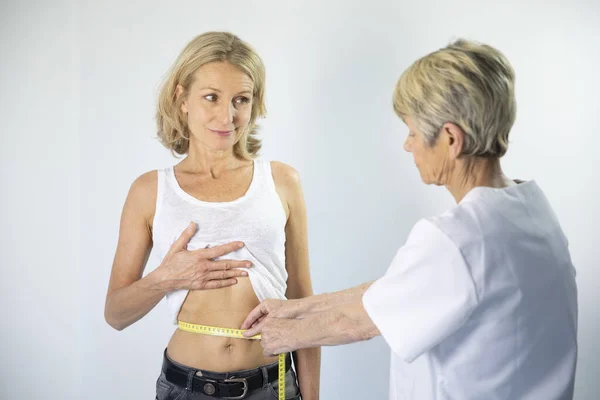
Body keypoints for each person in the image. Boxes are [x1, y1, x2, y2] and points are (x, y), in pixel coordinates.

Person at [242, 39, 578, 400]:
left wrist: (285, 334)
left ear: (450, 138)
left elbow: (358, 322)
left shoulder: (457, 237)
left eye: (413, 132)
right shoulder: (530, 211)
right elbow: (398, 289)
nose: (407, 145)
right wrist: (297, 308)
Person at [104, 31, 320, 400]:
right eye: (211, 98)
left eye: (241, 99)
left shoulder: (282, 181)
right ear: (181, 97)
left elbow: (301, 300)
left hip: (272, 384)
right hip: (184, 387)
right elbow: (116, 314)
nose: (228, 115)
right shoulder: (150, 191)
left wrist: (312, 397)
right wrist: (165, 278)